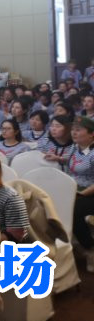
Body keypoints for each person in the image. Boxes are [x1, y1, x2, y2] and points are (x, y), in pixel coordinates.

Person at [66, 116, 94, 272]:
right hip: (74, 189)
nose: (74, 133)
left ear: (91, 134)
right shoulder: (74, 148)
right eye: (73, 129)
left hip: (89, 193)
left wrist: (81, 194)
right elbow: (72, 168)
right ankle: (71, 241)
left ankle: (89, 247)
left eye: (78, 130)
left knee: (73, 210)